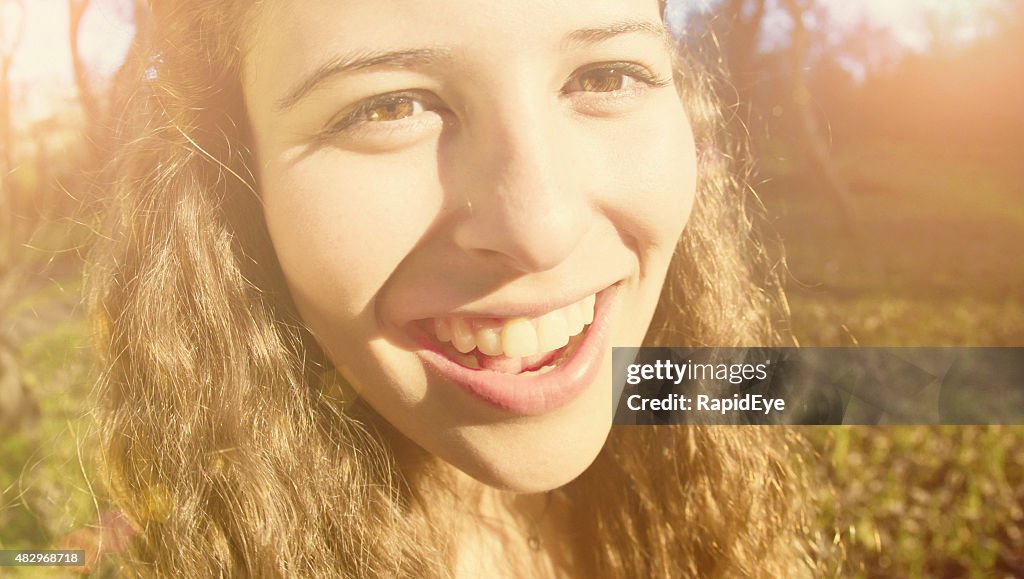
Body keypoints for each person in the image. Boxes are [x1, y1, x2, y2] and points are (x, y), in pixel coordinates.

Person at [88, 0, 820, 576]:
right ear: (232, 181)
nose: (541, 229)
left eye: (605, 76)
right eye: (388, 106)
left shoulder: (712, 417)